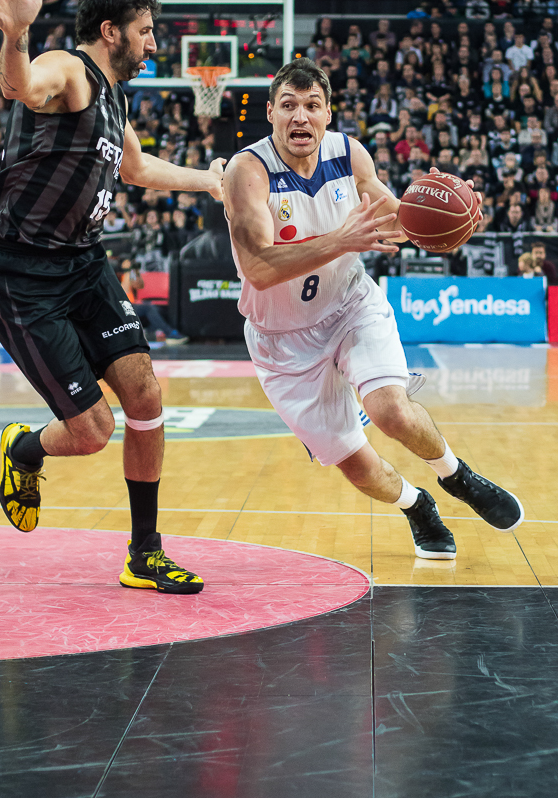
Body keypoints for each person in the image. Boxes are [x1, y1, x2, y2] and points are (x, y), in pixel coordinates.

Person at [0, 0, 225, 594]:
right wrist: (16, 34)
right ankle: (25, 450)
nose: (153, 42)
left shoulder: (114, 101)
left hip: (82, 263)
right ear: (111, 31)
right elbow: (24, 85)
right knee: (92, 432)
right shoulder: (73, 72)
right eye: (145, 30)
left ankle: (145, 553)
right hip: (21, 273)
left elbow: (137, 169)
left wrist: (209, 182)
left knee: (146, 396)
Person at [223, 57, 523, 561]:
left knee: (389, 409)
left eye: (313, 106)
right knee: (357, 466)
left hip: (350, 306)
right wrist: (341, 239)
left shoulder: (349, 153)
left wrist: (446, 213)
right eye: (290, 106)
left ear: (328, 113)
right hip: (281, 339)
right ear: (270, 113)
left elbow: (393, 220)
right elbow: (260, 269)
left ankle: (456, 475)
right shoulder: (247, 172)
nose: (302, 117)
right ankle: (416, 505)